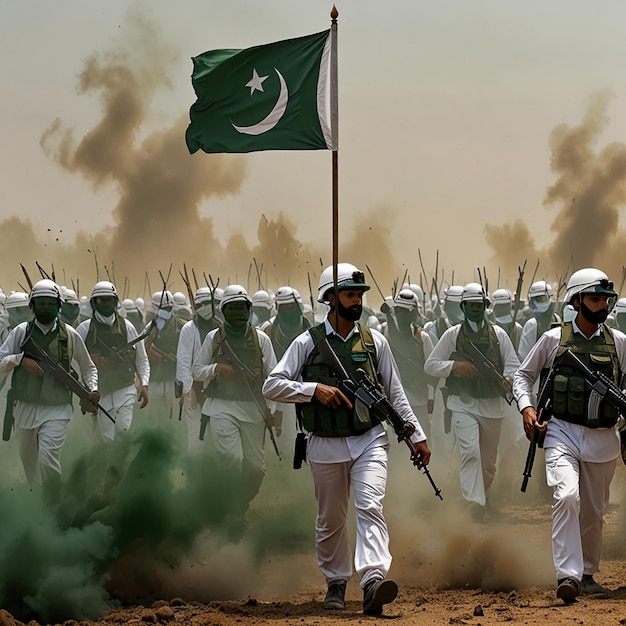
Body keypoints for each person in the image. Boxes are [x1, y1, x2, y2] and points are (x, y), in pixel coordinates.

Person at [262, 263, 430, 616]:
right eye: (351, 294)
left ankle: (371, 581)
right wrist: (313, 390)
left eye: (359, 295)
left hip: (369, 439)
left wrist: (417, 436)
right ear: (330, 298)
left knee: (370, 505)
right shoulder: (307, 342)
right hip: (323, 442)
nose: (358, 300)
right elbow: (272, 385)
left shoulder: (374, 341)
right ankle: (336, 582)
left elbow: (396, 395)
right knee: (331, 519)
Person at [513, 268, 625, 603]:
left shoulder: (619, 343)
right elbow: (523, 376)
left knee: (593, 511)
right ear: (576, 301)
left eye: (605, 298)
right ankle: (568, 576)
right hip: (561, 430)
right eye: (594, 298)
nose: (601, 304)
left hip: (603, 437)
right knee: (566, 496)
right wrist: (527, 409)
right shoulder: (553, 339)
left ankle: (588, 573)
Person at [424, 282, 520, 521]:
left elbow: (514, 366)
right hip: (462, 405)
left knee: (488, 464)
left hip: (492, 407)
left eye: (479, 305)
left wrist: (506, 380)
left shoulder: (498, 335)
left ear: (485, 306)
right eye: (471, 305)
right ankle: (474, 504)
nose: (475, 309)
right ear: (463, 306)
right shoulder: (452, 335)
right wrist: (456, 367)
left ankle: (481, 496)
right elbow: (431, 365)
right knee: (470, 453)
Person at [0, 279, 99, 503]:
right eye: (40, 304)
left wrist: (92, 389)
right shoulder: (20, 332)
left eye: (50, 303)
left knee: (48, 458)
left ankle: (54, 506)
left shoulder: (70, 334)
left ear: (58, 306)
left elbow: (88, 367)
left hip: (57, 409)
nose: (45, 308)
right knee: (29, 464)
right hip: (25, 407)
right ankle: (38, 506)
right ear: (32, 306)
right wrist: (21, 360)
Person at [192, 285, 280, 511]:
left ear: (249, 309)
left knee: (256, 469)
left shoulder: (261, 339)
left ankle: (240, 503)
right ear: (223, 311)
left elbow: (274, 377)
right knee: (231, 461)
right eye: (233, 308)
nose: (238, 312)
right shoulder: (214, 338)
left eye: (242, 307)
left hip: (254, 411)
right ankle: (230, 511)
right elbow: (196, 370)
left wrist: (273, 409)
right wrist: (216, 369)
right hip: (221, 408)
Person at [76, 281, 150, 443]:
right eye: (101, 300)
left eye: (109, 299)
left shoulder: (127, 327)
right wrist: (83, 394)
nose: (105, 303)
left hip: (125, 390)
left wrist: (144, 384)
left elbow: (141, 359)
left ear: (115, 301)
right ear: (94, 303)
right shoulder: (84, 329)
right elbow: (75, 363)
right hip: (99, 394)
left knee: (123, 435)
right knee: (105, 441)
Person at [383, 288, 436, 442]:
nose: (401, 315)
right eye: (398, 311)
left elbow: (431, 369)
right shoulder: (385, 334)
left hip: (419, 400)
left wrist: (431, 397)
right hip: (394, 400)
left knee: (421, 438)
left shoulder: (422, 337)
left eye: (405, 311)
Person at [176, 286, 221, 451]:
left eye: (208, 302)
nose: (205, 306)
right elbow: (183, 362)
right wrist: (188, 390)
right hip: (195, 388)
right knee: (196, 442)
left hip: (218, 390)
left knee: (217, 440)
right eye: (200, 303)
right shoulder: (188, 329)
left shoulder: (221, 326)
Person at [517, 281, 561, 361]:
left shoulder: (556, 318)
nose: (539, 302)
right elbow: (525, 356)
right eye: (536, 299)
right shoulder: (532, 324)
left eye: (542, 298)